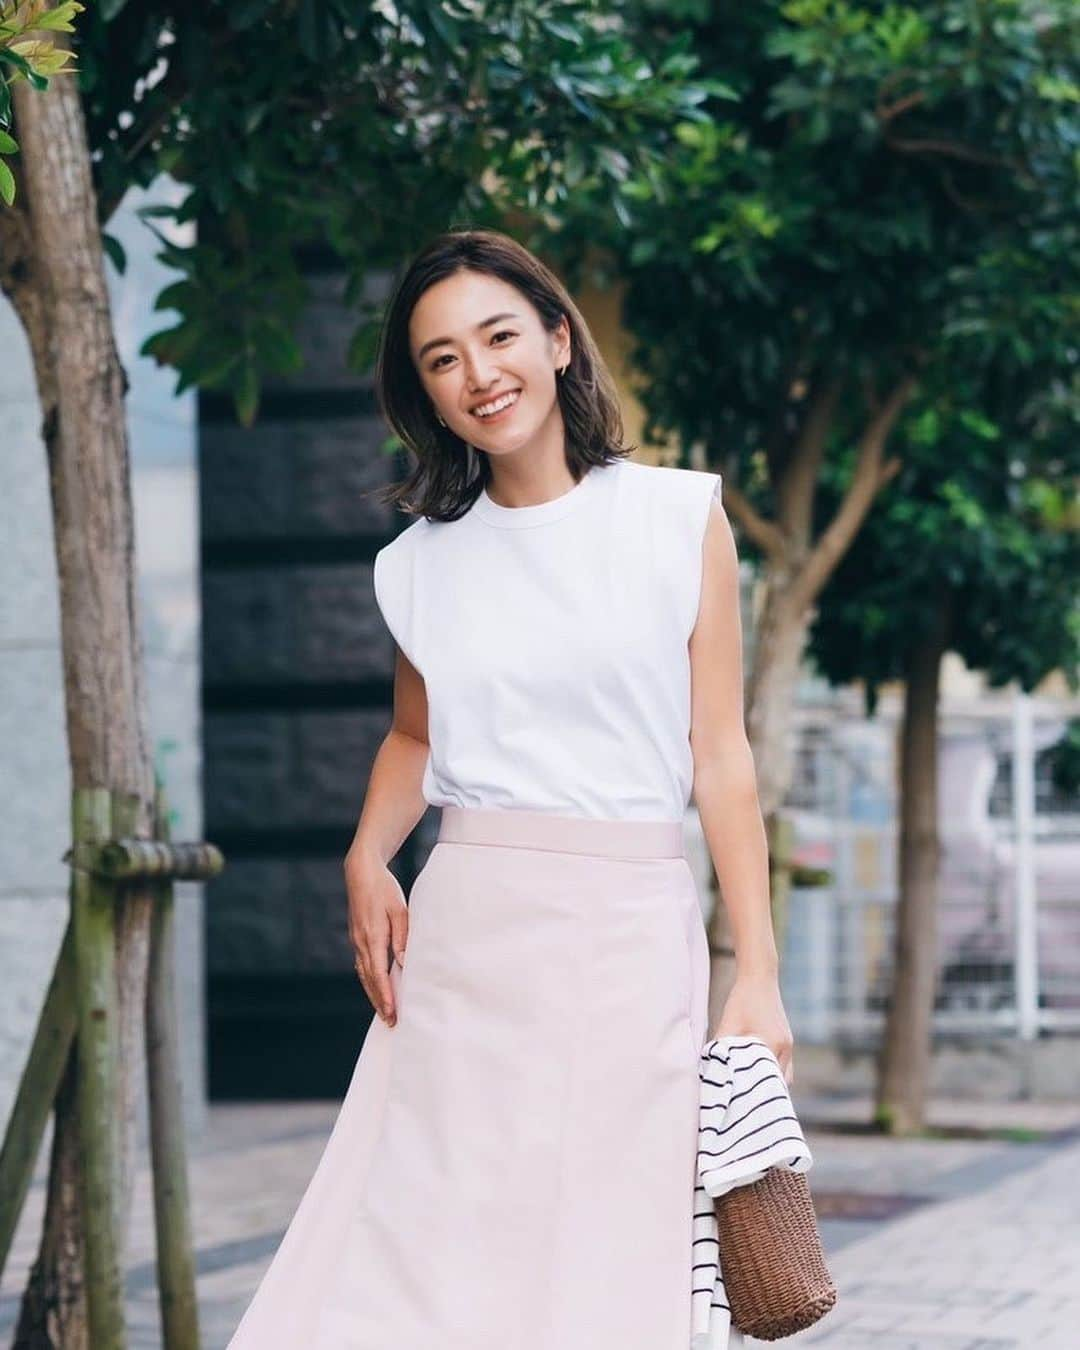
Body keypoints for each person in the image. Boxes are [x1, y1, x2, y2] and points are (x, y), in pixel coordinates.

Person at [226, 227, 793, 1350]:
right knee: (431, 1247)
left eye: (498, 337)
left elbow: (720, 755)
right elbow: (411, 739)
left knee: (612, 1248)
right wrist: (362, 854)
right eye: (443, 358)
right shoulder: (420, 563)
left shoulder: (678, 519)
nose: (480, 373)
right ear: (426, 395)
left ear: (558, 339)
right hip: (469, 939)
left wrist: (758, 972)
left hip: (631, 934)